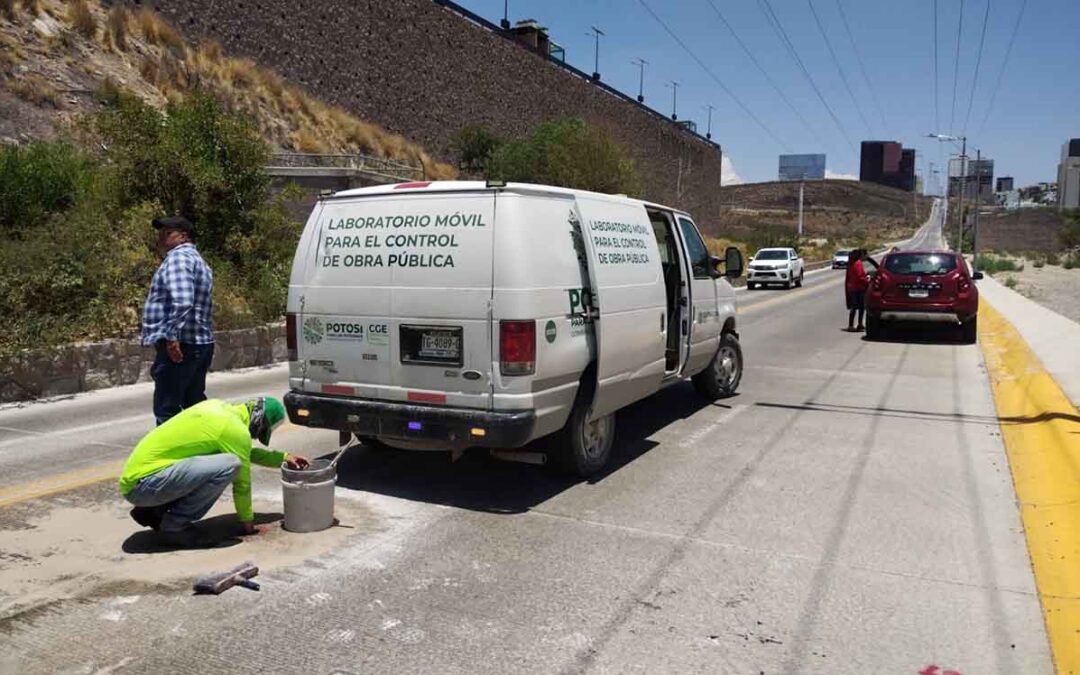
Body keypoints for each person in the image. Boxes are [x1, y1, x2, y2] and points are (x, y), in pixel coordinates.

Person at [119, 396, 309, 548]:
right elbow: (242, 483)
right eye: (259, 432)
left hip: (142, 480)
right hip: (145, 486)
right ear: (259, 422)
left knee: (224, 461)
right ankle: (175, 526)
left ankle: (155, 511)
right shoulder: (235, 431)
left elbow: (244, 451)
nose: (255, 436)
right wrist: (247, 523)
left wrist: (283, 457)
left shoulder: (220, 410)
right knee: (230, 465)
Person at [142, 215, 215, 425]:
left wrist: (171, 337)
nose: (161, 238)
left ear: (183, 236)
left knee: (168, 411)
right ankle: (202, 451)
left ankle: (170, 457)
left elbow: (183, 301)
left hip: (182, 346)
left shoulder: (178, 258)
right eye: (160, 234)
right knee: (194, 406)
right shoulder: (198, 260)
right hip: (199, 343)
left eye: (167, 233)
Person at [845, 248, 870, 332]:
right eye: (865, 255)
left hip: (852, 288)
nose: (866, 256)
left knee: (854, 307)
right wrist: (867, 280)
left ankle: (852, 325)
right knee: (860, 307)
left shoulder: (851, 264)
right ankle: (858, 324)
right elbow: (860, 276)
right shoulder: (858, 263)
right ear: (862, 255)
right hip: (859, 288)